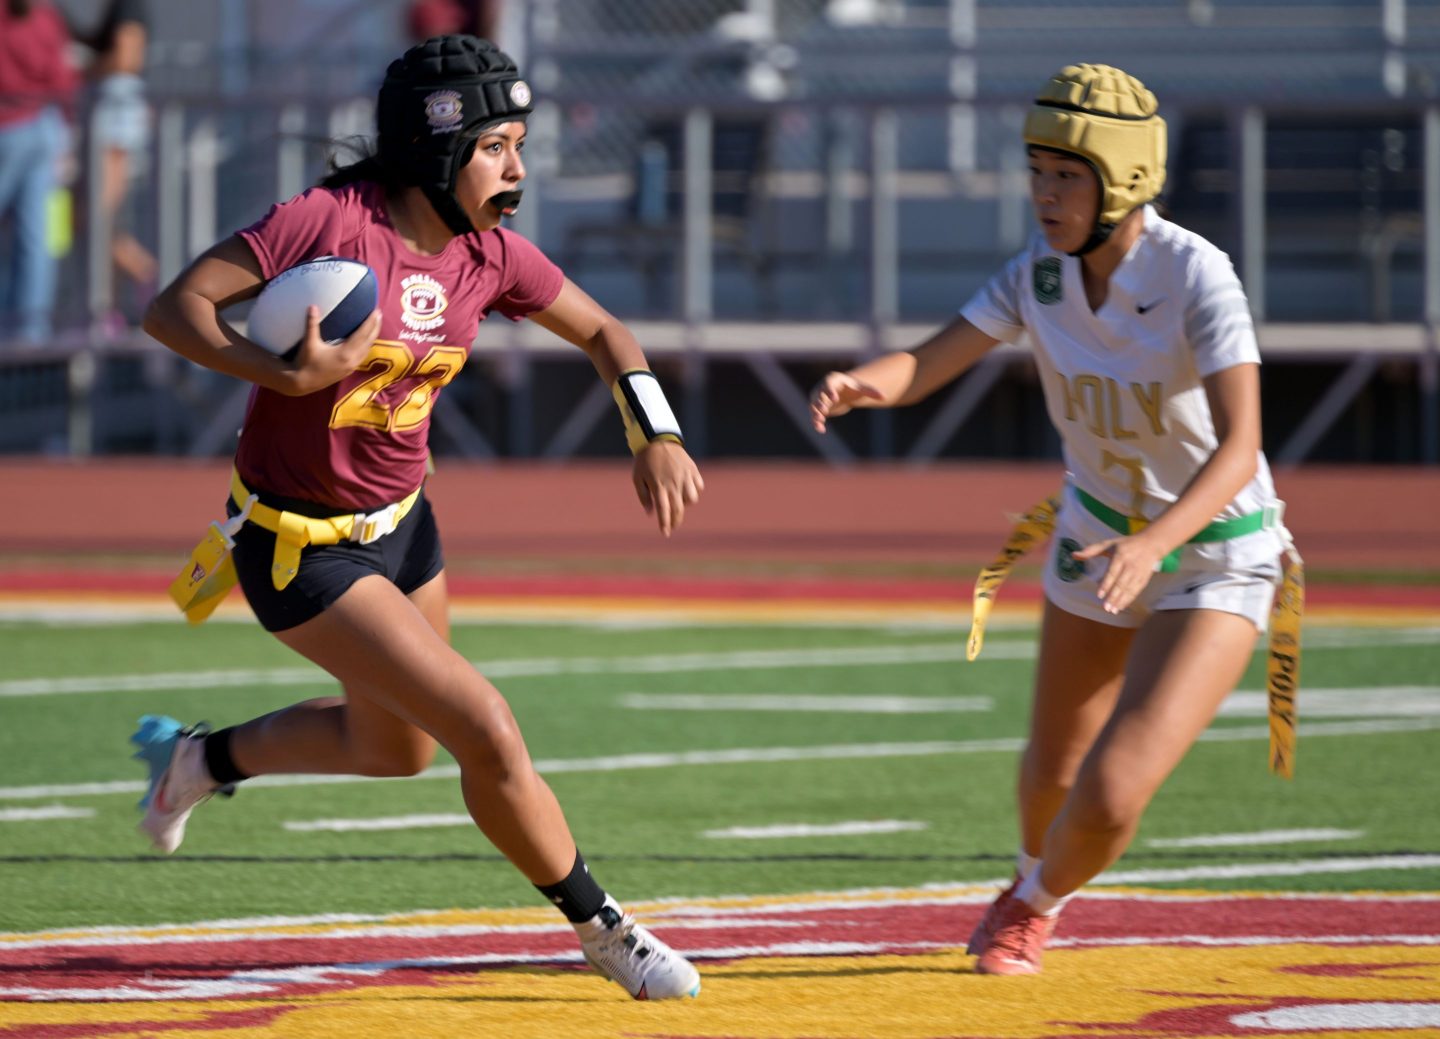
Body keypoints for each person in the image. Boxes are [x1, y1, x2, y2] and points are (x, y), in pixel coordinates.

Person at [134, 34, 704, 1001]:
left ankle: (204, 757)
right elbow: (174, 307)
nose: (519, 167)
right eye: (497, 145)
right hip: (296, 545)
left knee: (392, 749)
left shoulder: (489, 251)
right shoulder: (327, 221)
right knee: (486, 725)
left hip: (403, 525)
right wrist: (277, 371)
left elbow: (607, 331)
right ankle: (602, 927)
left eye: (521, 142)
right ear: (435, 148)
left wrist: (657, 430)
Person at [809, 63, 1301, 976]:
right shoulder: (1037, 275)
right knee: (1049, 772)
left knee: (1113, 793)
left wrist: (1156, 542)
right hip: (1094, 533)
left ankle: (1030, 905)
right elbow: (931, 358)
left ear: (1124, 178)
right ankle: (1033, 874)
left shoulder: (1196, 273)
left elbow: (1241, 449)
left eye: (1067, 174)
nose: (1044, 192)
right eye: (1037, 170)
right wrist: (864, 384)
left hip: (1213, 554)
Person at [74, 0, 158, 326]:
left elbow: (125, 57)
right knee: (99, 222)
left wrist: (81, 69)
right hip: (115, 111)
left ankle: (147, 282)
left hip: (115, 113)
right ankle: (109, 311)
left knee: (97, 220)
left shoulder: (129, 9)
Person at [0, 0, 75, 345]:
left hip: (10, 127)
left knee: (36, 238)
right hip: (44, 127)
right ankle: (31, 335)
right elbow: (63, 78)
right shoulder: (45, 15)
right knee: (36, 239)